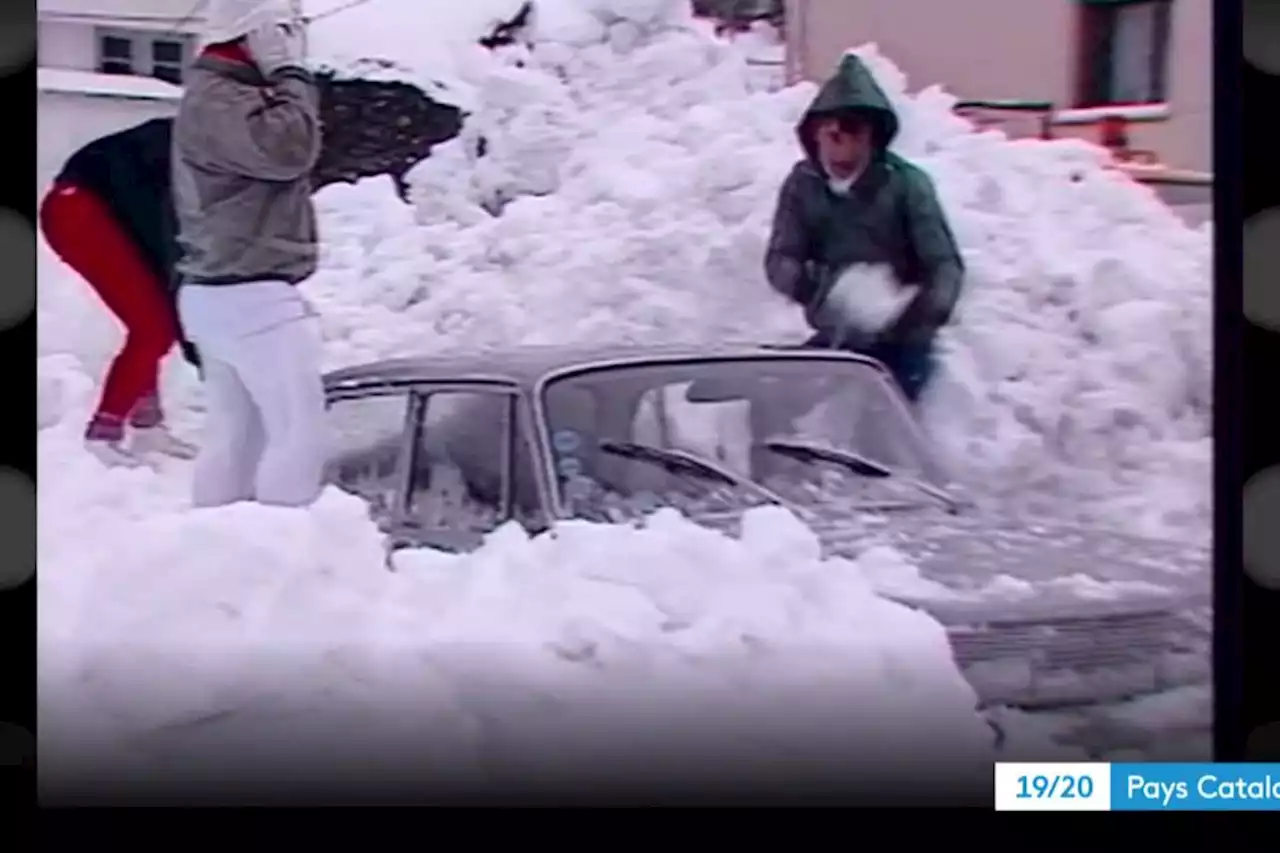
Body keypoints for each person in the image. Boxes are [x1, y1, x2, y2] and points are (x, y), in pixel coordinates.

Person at [171, 0, 327, 508]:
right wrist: (290, 73)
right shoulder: (220, 100)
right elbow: (290, 147)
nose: (292, 39)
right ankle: (283, 550)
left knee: (239, 435)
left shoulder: (220, 97)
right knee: (300, 430)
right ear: (257, 33)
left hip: (226, 290)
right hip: (249, 291)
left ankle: (221, 549)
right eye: (285, 30)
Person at [764, 54, 965, 403]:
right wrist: (823, 290)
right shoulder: (803, 184)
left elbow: (945, 267)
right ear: (813, 134)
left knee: (885, 419)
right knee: (777, 400)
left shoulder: (907, 185)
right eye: (828, 129)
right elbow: (781, 258)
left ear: (873, 134)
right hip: (837, 337)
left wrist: (908, 312)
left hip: (902, 343)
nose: (837, 138)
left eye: (851, 127)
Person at [39, 119, 200, 466]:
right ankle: (104, 432)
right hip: (78, 210)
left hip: (98, 211)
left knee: (155, 321)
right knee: (153, 328)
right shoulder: (185, 148)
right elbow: (160, 235)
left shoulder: (190, 142)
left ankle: (147, 425)